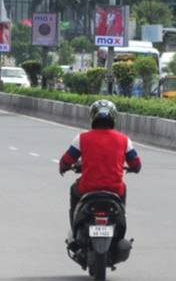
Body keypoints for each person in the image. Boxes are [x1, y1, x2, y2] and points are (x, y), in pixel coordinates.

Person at [59, 100, 142, 236]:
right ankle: (120, 228)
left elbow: (66, 160)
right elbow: (136, 164)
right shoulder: (124, 140)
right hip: (115, 189)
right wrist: (132, 168)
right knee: (123, 190)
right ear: (113, 118)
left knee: (73, 189)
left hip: (87, 188)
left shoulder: (81, 138)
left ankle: (74, 230)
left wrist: (64, 167)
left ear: (93, 117)